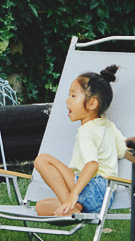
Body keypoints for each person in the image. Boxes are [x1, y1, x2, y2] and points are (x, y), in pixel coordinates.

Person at [33, 64, 125, 217]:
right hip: (105, 197)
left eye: (73, 96)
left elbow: (92, 164)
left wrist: (73, 193)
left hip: (92, 188)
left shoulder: (86, 132)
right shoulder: (109, 126)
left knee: (42, 160)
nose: (67, 101)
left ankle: (69, 207)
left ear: (92, 104)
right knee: (40, 206)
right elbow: (123, 150)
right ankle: (73, 208)